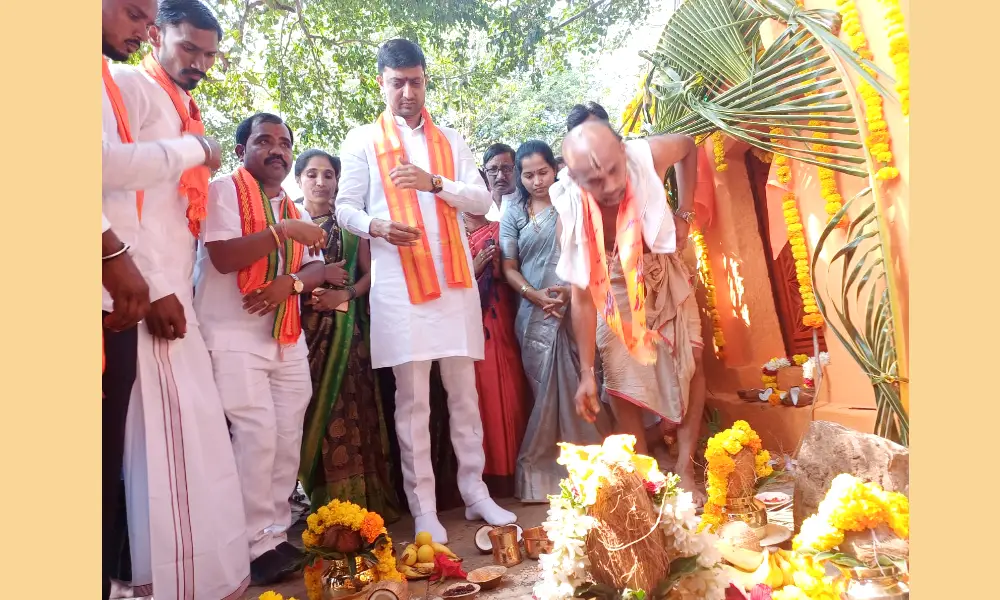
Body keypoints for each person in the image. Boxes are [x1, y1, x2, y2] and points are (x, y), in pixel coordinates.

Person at [335, 38, 516, 543]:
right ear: (381, 84)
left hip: (454, 279)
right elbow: (344, 208)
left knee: (464, 395)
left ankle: (476, 493)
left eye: (415, 81)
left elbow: (481, 197)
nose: (408, 92)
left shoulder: (450, 139)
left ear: (425, 80)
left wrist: (434, 182)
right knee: (413, 401)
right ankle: (424, 509)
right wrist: (376, 226)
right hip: (400, 284)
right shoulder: (362, 140)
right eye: (397, 83)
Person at [109, 2, 252, 597]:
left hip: (174, 292)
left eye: (209, 54)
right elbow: (116, 194)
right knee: (162, 451)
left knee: (195, 444)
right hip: (149, 295)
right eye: (188, 48)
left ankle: (204, 577)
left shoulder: (180, 106)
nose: (198, 63)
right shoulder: (129, 85)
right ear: (157, 34)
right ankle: (166, 584)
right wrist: (155, 284)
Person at [195, 112, 328, 585]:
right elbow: (225, 255)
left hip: (283, 335)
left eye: (285, 142)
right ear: (241, 150)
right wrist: (282, 235)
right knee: (256, 436)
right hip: (231, 334)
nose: (278, 150)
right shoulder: (223, 191)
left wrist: (286, 284)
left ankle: (272, 534)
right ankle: (252, 544)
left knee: (286, 433)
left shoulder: (295, 209)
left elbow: (319, 273)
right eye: (264, 141)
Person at [554, 119, 707, 502]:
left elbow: (688, 145)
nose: (608, 186)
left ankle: (686, 468)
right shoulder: (570, 208)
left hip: (663, 272)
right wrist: (587, 373)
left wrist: (685, 213)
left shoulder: (647, 155)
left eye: (613, 171)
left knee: (691, 363)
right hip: (614, 289)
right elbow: (583, 296)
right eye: (593, 180)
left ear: (623, 151)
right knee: (621, 385)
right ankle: (650, 481)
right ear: (574, 178)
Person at [295, 149, 403, 521]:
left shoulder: (348, 225)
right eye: (312, 174)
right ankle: (323, 511)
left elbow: (370, 274)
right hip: (299, 335)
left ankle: (363, 506)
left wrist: (346, 294)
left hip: (346, 336)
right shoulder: (286, 220)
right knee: (310, 416)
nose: (321, 182)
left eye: (328, 175)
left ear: (339, 181)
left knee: (353, 414)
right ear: (299, 181)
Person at [499, 140, 609, 502]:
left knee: (586, 382)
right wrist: (533, 294)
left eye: (542, 172)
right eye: (527, 175)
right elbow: (508, 267)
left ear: (555, 167)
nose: (536, 181)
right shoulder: (513, 211)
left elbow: (586, 253)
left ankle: (597, 472)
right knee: (544, 395)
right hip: (532, 316)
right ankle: (547, 480)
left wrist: (565, 291)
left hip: (574, 307)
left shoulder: (571, 201)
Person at [464, 173, 530, 499]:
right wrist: (473, 267)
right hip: (471, 328)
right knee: (482, 396)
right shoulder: (448, 239)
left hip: (506, 320)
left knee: (515, 393)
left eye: (480, 186)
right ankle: (489, 477)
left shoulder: (502, 227)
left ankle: (520, 470)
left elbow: (516, 268)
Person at [481, 143, 518, 222]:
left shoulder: (528, 203)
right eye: (493, 169)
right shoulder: (479, 206)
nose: (500, 176)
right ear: (485, 172)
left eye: (506, 169)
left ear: (516, 169)